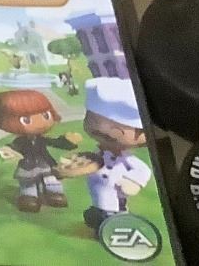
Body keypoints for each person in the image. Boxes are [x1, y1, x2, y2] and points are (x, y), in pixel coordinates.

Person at [62, 76, 153, 236]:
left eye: (116, 127)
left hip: (116, 199)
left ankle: (115, 229)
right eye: (93, 120)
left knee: (113, 218)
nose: (103, 130)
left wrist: (133, 182)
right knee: (96, 214)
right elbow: (87, 163)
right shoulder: (98, 154)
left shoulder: (126, 160)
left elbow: (142, 170)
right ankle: (100, 222)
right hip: (98, 196)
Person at [0, 89, 83, 212]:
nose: (40, 123)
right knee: (29, 183)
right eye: (26, 120)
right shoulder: (21, 141)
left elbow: (55, 143)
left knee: (51, 179)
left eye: (46, 116)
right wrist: (9, 151)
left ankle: (54, 194)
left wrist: (68, 142)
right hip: (28, 165)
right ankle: (29, 197)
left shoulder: (42, 139)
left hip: (45, 164)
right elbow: (14, 148)